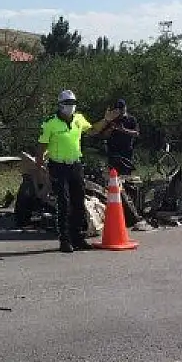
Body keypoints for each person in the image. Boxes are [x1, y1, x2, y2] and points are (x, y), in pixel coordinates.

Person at [35, 90, 121, 253]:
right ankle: (65, 240)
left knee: (79, 202)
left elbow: (93, 130)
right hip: (58, 166)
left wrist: (106, 120)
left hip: (75, 165)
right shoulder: (50, 123)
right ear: (60, 105)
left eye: (73, 104)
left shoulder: (79, 119)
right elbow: (41, 147)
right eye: (67, 104)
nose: (70, 107)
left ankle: (78, 237)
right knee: (63, 203)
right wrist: (39, 169)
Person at [98, 99, 149, 230]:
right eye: (118, 109)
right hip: (113, 153)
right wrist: (111, 127)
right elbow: (103, 135)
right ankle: (117, 205)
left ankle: (129, 205)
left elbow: (136, 133)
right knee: (113, 179)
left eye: (122, 108)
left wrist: (123, 129)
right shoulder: (111, 120)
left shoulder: (130, 119)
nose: (120, 111)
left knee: (126, 180)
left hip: (126, 152)